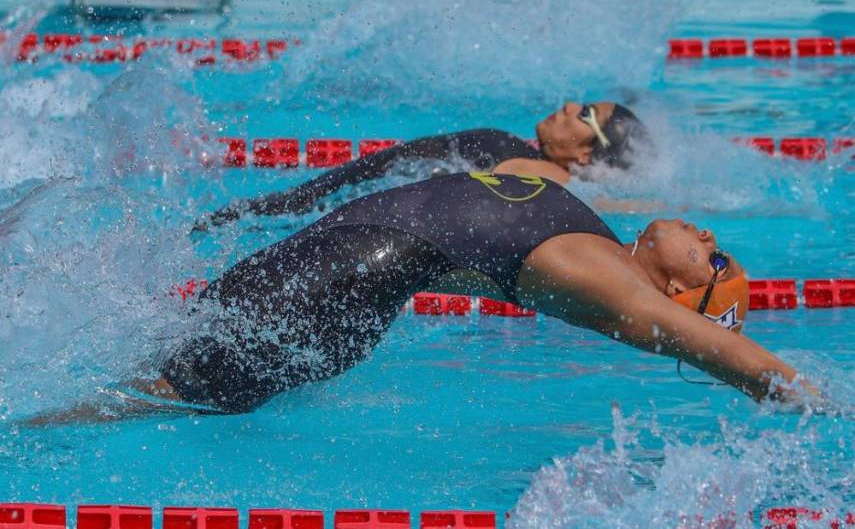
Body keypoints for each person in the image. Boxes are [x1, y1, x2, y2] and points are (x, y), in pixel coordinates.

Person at [44, 169, 810, 422]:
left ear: (677, 291)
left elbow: (718, 349)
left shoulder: (610, 282)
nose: (708, 235)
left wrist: (816, 400)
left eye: (714, 258)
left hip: (331, 287)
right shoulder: (596, 238)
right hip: (338, 285)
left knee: (133, 396)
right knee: (145, 385)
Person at [192, 102, 648, 231]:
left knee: (267, 212)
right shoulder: (529, 156)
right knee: (276, 210)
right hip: (354, 191)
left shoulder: (550, 174)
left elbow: (581, 196)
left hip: (353, 197)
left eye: (585, 114)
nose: (569, 106)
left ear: (585, 155)